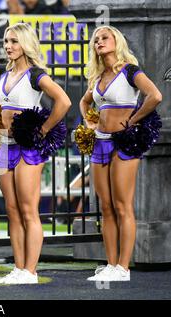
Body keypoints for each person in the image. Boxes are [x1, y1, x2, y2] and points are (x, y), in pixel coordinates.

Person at [80, 26, 162, 282]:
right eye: (96, 40)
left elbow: (155, 96)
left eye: (105, 37)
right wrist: (89, 120)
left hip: (123, 142)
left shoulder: (129, 71)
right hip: (100, 142)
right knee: (105, 207)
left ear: (117, 41)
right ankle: (111, 264)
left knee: (122, 205)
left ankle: (123, 268)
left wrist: (134, 120)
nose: (99, 42)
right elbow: (84, 102)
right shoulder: (98, 76)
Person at [0, 23, 71, 284]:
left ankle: (30, 270)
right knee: (12, 210)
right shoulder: (4, 76)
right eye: (6, 41)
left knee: (28, 210)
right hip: (5, 148)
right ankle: (18, 268)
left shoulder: (35, 75)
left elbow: (64, 101)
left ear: (25, 43)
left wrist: (45, 128)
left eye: (14, 41)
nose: (8, 46)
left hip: (28, 148)